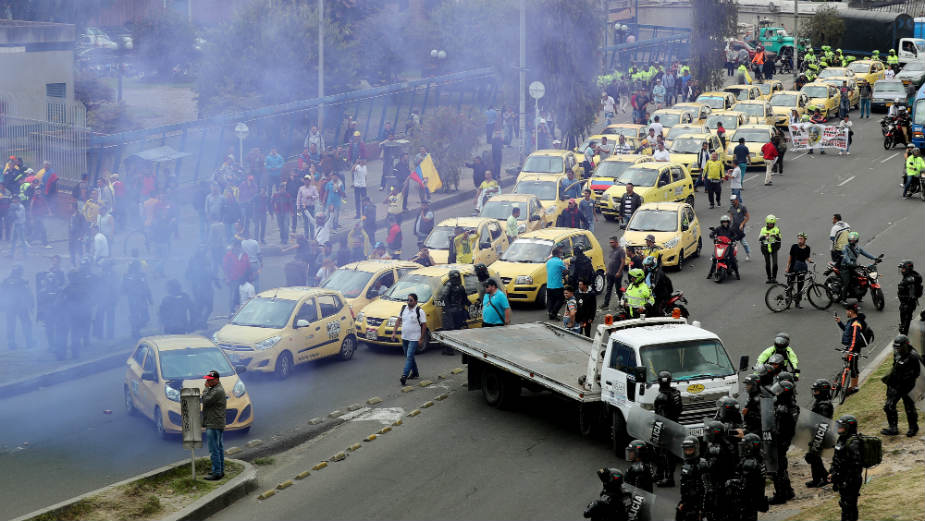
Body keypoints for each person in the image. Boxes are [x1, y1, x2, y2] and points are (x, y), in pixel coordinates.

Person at [881, 334, 921, 437]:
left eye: (899, 347)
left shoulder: (914, 356)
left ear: (905, 345)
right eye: (896, 347)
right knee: (888, 406)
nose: (897, 350)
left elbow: (917, 372)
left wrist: (907, 380)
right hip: (895, 384)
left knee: (909, 407)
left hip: (907, 386)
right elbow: (895, 365)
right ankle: (893, 428)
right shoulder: (897, 353)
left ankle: (913, 428)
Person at [829, 415, 864, 521]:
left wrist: (840, 475)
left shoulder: (853, 442)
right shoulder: (842, 439)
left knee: (849, 505)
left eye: (842, 427)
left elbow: (855, 465)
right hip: (842, 479)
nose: (839, 429)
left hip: (851, 480)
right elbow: (837, 458)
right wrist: (833, 472)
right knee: (845, 504)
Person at [768, 379, 798, 505]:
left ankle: (781, 495)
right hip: (785, 441)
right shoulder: (792, 406)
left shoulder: (783, 409)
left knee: (777, 469)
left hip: (780, 441)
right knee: (782, 467)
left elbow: (778, 428)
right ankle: (788, 491)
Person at [835, 299, 870, 394]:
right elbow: (847, 330)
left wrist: (849, 351)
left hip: (854, 348)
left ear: (850, 311)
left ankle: (854, 387)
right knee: (849, 365)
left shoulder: (856, 323)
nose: (846, 312)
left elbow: (854, 339)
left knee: (853, 368)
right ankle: (846, 383)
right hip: (850, 346)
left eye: (847, 310)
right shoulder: (852, 320)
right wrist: (839, 322)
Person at [804, 378, 835, 488]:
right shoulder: (820, 402)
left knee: (813, 457)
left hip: (821, 435)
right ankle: (816, 479)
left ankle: (825, 477)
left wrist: (817, 438)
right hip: (817, 434)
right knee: (814, 457)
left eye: (817, 391)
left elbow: (823, 423)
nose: (815, 393)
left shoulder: (824, 405)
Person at [654, 370, 682, 487]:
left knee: (664, 453)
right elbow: (680, 409)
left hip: (665, 427)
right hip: (674, 424)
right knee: (666, 452)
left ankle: (669, 478)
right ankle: (660, 473)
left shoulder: (662, 397)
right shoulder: (676, 393)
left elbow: (661, 416)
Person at [392, 293, 426, 386]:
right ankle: (415, 372)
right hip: (405, 337)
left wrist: (421, 338)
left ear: (415, 301)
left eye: (411, 300)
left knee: (409, 356)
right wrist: (394, 332)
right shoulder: (404, 309)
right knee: (409, 356)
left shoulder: (419, 311)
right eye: (408, 300)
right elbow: (398, 320)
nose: (408, 302)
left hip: (414, 338)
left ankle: (404, 376)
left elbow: (424, 325)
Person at [201, 370, 227, 480]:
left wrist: (205, 389)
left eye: (210, 380)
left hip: (214, 423)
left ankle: (217, 472)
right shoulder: (215, 389)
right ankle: (220, 470)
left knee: (214, 449)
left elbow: (206, 400)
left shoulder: (217, 391)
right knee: (219, 447)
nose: (207, 381)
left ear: (216, 380)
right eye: (207, 379)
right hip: (216, 422)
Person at [737, 433, 769, 521]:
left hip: (749, 496)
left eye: (745, 446)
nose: (743, 448)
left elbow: (745, 484)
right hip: (757, 494)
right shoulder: (760, 457)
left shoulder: (750, 463)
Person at [839, 231, 878, 301]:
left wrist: (875, 258)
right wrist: (850, 263)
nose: (852, 241)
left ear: (857, 240)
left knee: (861, 280)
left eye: (853, 239)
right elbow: (846, 258)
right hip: (845, 267)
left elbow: (866, 254)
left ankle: (858, 296)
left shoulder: (858, 248)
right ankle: (843, 299)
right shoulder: (845, 248)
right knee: (846, 283)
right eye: (850, 239)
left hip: (854, 267)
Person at [1, 265, 33, 350]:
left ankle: (11, 342)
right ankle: (29, 341)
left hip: (9, 306)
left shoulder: (6, 281)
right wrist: (30, 305)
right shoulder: (23, 281)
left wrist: (2, 306)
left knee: (10, 325)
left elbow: (2, 293)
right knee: (26, 323)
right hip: (21, 306)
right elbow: (28, 294)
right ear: (19, 272)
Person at [439, 271, 470, 355]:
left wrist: (444, 308)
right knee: (456, 330)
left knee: (449, 331)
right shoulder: (461, 287)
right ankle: (456, 347)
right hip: (459, 311)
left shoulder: (448, 287)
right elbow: (465, 300)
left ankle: (449, 350)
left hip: (450, 312)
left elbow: (442, 297)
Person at [676, 436, 705, 521]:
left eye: (690, 449)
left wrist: (701, 508)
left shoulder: (702, 465)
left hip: (696, 506)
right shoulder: (686, 464)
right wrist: (683, 502)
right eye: (686, 449)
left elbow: (705, 488)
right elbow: (685, 486)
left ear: (696, 449)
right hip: (686, 503)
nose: (688, 452)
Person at [123, 260, 152, 339]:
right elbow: (123, 289)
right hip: (133, 300)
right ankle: (135, 331)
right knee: (135, 316)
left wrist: (150, 299)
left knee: (145, 318)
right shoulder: (127, 276)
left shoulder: (142, 275)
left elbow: (146, 287)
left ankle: (136, 328)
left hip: (142, 299)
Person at [706, 215, 740, 280]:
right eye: (723, 222)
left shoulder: (731, 229)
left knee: (732, 260)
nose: (725, 223)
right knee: (714, 258)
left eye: (726, 222)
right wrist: (712, 235)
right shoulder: (718, 228)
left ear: (728, 222)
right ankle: (710, 274)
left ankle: (737, 274)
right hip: (719, 245)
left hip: (728, 246)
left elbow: (735, 235)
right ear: (721, 222)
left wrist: (732, 239)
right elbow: (713, 233)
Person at [785, 232, 812, 307]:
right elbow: (790, 257)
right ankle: (788, 302)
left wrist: (810, 260)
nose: (799, 240)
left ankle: (797, 302)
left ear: (805, 240)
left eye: (801, 239)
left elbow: (806, 257)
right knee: (790, 285)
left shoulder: (807, 248)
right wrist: (787, 267)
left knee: (800, 285)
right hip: (792, 268)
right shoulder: (794, 246)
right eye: (799, 238)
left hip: (801, 269)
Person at [897, 260, 923, 335]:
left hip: (907, 303)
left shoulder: (908, 281)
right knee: (907, 318)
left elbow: (911, 294)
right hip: (910, 302)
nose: (902, 270)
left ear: (908, 269)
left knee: (904, 322)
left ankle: (904, 332)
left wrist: (907, 302)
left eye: (903, 269)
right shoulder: (914, 276)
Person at [601, 236, 625, 310]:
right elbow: (610, 260)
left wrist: (619, 272)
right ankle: (606, 304)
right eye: (610, 243)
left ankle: (621, 304)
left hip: (617, 274)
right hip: (610, 274)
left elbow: (623, 262)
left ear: (616, 242)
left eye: (612, 242)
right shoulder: (612, 250)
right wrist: (607, 270)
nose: (610, 244)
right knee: (608, 289)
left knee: (618, 290)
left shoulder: (621, 250)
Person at [758, 214, 782, 283]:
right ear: (767, 223)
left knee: (775, 264)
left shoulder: (777, 229)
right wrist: (764, 237)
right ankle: (769, 278)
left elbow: (780, 239)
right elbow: (759, 239)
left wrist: (775, 236)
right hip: (765, 248)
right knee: (767, 264)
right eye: (769, 223)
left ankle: (774, 277)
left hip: (774, 248)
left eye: (772, 223)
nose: (771, 225)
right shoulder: (763, 229)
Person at [728, 195, 751, 260]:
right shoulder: (731, 208)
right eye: (731, 201)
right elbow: (731, 217)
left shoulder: (742, 207)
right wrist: (729, 225)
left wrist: (742, 224)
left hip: (741, 228)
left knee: (743, 242)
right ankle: (734, 256)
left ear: (737, 200)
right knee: (733, 243)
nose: (732, 202)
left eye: (733, 200)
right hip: (733, 227)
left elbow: (747, 217)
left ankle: (748, 253)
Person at [546, 247, 566, 319]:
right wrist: (566, 265)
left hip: (549, 285)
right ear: (558, 254)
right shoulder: (559, 261)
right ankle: (553, 313)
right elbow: (565, 271)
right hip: (557, 285)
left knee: (551, 300)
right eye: (560, 253)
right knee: (561, 299)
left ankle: (551, 313)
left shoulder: (548, 262)